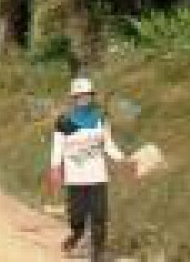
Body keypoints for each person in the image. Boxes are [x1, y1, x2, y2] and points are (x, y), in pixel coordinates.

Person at [49, 77, 131, 260]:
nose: (84, 98)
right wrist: (55, 169)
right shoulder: (63, 122)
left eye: (87, 95)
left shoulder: (100, 118)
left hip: (98, 176)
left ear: (92, 96)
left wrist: (123, 160)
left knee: (99, 216)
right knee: (76, 218)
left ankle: (97, 253)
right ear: (73, 98)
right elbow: (57, 149)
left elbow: (108, 145)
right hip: (75, 177)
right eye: (80, 95)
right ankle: (76, 235)